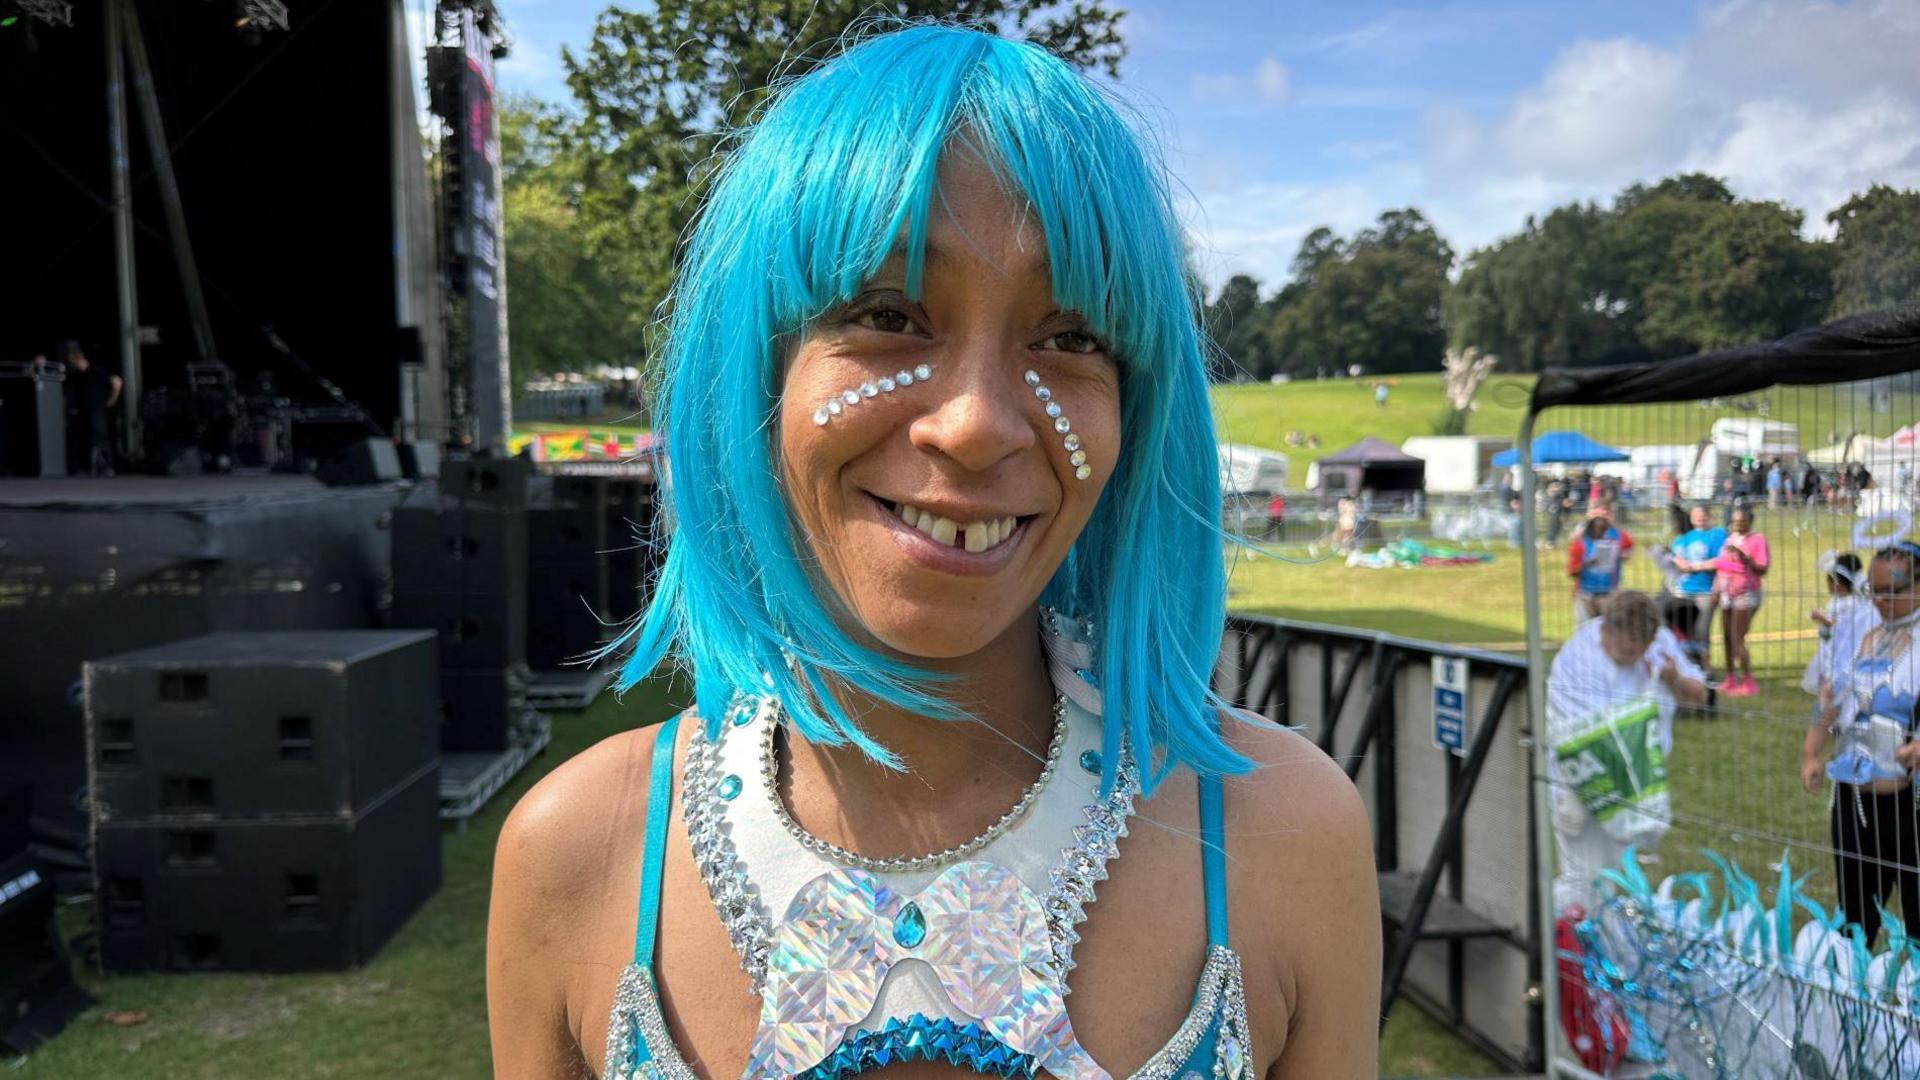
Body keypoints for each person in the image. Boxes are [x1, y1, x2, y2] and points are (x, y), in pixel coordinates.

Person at [485, 25, 1379, 1080]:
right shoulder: (577, 853)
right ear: (755, 367)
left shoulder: (1286, 836)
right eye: (887, 313)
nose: (976, 423)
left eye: (1072, 338)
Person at [1546, 590, 1708, 913]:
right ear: (1607, 629)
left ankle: (1608, 951)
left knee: (1618, 882)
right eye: (1624, 650)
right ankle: (1566, 951)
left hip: (1635, 787)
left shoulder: (1660, 643)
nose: (1633, 657)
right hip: (1584, 785)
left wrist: (1672, 678)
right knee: (1583, 880)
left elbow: (1698, 695)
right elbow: (1592, 741)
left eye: (1640, 650)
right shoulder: (1579, 659)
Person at [1800, 542, 1920, 946]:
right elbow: (1832, 700)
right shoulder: (1868, 638)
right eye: (1876, 590)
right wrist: (1812, 752)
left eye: (1895, 590)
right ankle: (1853, 998)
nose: (1883, 601)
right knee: (1854, 917)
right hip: (1854, 801)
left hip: (1911, 811)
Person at [1713, 506, 1769, 697]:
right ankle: (1730, 678)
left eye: (1742, 522)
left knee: (1738, 639)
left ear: (1750, 521)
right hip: (1726, 593)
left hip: (1746, 593)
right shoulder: (1729, 539)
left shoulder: (1757, 540)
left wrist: (1745, 558)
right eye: (1735, 522)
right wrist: (1716, 589)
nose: (1738, 525)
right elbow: (1722, 566)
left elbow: (1763, 568)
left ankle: (1748, 681)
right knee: (1727, 637)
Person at [1669, 504, 1727, 675]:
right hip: (1682, 591)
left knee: (1702, 631)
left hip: (1705, 592)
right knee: (1682, 631)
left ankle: (1706, 670)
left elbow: (1721, 561)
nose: (1700, 518)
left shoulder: (1717, 535)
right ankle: (1688, 667)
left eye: (1703, 515)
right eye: (1696, 516)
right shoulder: (1684, 538)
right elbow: (1673, 556)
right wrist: (1677, 561)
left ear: (1709, 515)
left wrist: (1695, 567)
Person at [59, 339, 122, 476]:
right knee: (86, 437)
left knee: (100, 437)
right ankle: (90, 467)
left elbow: (117, 382)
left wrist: (112, 399)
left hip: (98, 409)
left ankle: (107, 467)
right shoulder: (76, 376)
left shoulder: (96, 371)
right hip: (84, 409)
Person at [1567, 505, 1633, 625]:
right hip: (1585, 594)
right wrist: (1588, 564)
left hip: (1609, 592)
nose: (1602, 532)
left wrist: (1621, 554)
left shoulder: (1615, 537)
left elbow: (1628, 545)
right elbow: (1572, 571)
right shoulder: (1580, 542)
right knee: (1584, 632)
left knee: (1610, 632)